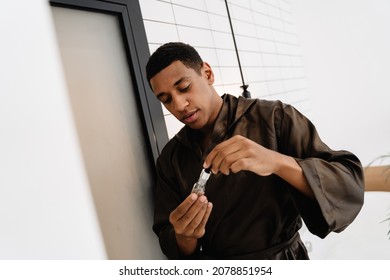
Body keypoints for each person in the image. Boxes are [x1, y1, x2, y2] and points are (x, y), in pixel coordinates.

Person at [146, 42, 364, 259]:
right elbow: (168, 236)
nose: (179, 105)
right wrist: (184, 236)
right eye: (166, 100)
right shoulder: (170, 158)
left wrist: (276, 162)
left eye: (184, 87)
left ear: (207, 73)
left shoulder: (275, 117)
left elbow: (349, 186)